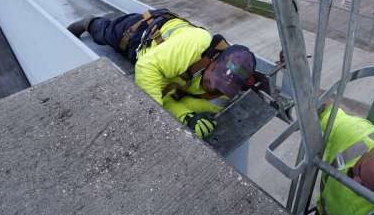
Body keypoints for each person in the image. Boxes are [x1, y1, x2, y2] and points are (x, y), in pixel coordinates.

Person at [67, 9, 256, 140]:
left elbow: (169, 99)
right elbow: (146, 67)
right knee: (105, 33)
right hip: (138, 33)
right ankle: (89, 22)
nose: (212, 85)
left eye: (220, 85)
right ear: (216, 58)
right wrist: (156, 121)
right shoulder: (197, 43)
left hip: (158, 59)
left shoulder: (219, 92)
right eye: (215, 77)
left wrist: (187, 118)